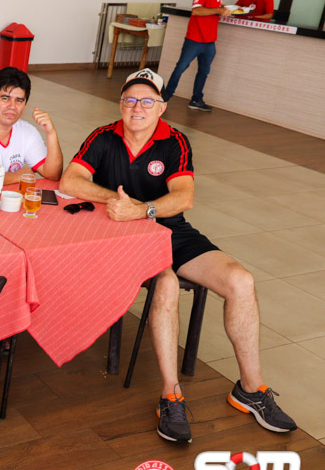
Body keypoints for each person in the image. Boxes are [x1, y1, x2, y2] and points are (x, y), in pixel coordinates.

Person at [59, 68, 296, 443]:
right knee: (166, 284)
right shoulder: (103, 136)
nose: (137, 107)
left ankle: (251, 389)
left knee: (241, 281)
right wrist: (117, 202)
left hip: (170, 230)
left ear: (161, 107)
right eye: (130, 99)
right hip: (123, 236)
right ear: (121, 104)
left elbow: (184, 196)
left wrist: (142, 209)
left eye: (147, 100)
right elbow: (70, 181)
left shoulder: (175, 141)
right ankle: (171, 394)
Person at [161, 0, 234, 111]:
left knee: (204, 71)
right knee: (181, 67)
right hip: (195, 38)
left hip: (210, 40)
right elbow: (196, 10)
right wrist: (218, 10)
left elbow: (212, 6)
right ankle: (165, 97)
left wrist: (222, 8)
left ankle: (196, 99)